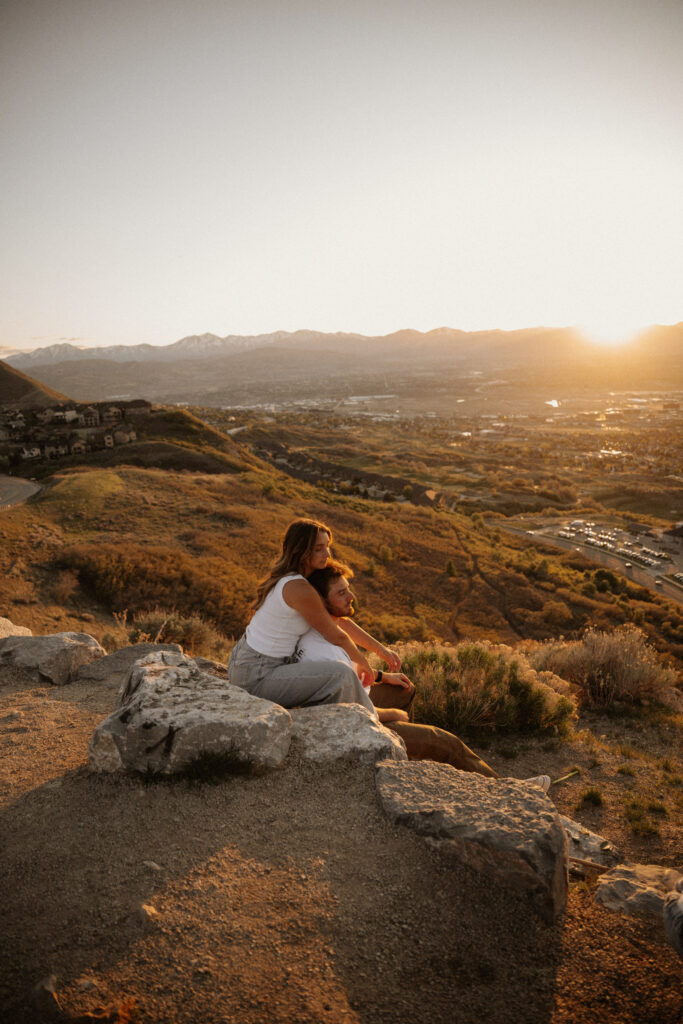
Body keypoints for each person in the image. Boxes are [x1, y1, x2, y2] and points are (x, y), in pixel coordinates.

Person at [302, 560, 551, 789]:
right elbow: (344, 708)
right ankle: (510, 791)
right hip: (356, 721)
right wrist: (391, 714)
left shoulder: (323, 625)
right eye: (342, 593)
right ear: (323, 603)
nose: (351, 596)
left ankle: (407, 761)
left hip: (358, 701)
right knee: (446, 742)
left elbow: (345, 638)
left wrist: (380, 675)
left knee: (403, 689)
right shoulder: (322, 651)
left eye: (348, 589)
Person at [228, 518, 400, 712]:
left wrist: (380, 650)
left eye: (327, 546)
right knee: (340, 674)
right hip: (257, 676)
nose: (327, 553)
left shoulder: (297, 578)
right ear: (301, 551)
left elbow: (338, 620)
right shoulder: (299, 588)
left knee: (339, 673)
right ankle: (371, 716)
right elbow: (337, 636)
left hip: (246, 662)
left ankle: (369, 711)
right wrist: (366, 667)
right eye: (319, 549)